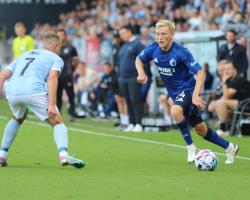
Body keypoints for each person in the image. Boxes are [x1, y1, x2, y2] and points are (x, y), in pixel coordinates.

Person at [135, 19, 239, 164]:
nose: (159, 37)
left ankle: (191, 147)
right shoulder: (153, 49)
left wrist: (196, 95)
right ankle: (230, 147)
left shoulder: (181, 53)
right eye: (157, 34)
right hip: (175, 93)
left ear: (171, 35)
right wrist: (141, 73)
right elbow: (138, 59)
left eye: (163, 34)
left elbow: (201, 73)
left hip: (188, 90)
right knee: (201, 129)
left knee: (175, 111)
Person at [0, 31, 85, 168]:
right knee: (57, 122)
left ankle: (1, 155)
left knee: (18, 117)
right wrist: (51, 104)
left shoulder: (25, 55)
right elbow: (52, 79)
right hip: (33, 91)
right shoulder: (56, 58)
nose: (60, 50)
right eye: (60, 48)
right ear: (56, 46)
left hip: (12, 91)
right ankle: (64, 154)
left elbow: (2, 75)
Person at [118, 25, 146, 132]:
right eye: (121, 34)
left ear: (130, 32)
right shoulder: (124, 46)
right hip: (123, 78)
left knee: (135, 101)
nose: (122, 36)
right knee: (128, 101)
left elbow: (145, 59)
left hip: (134, 77)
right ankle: (132, 123)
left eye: (123, 33)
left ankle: (139, 123)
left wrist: (142, 73)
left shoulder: (137, 44)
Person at [215, 60, 250, 136]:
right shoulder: (231, 80)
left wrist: (224, 82)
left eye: (229, 69)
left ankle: (223, 129)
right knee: (219, 103)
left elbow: (227, 95)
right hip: (241, 103)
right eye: (225, 69)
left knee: (220, 103)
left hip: (246, 104)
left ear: (235, 70)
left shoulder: (239, 79)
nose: (226, 71)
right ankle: (228, 128)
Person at [56, 29, 79, 121]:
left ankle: (72, 114)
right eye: (58, 35)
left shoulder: (71, 48)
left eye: (62, 35)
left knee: (70, 95)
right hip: (57, 75)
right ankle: (58, 114)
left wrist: (72, 70)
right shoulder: (55, 47)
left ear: (65, 36)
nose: (60, 37)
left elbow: (76, 60)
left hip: (67, 75)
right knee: (57, 95)